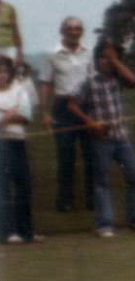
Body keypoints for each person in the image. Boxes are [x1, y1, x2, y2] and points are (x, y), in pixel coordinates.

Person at [69, 41, 135, 236]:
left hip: (122, 136)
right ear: (97, 60)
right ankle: (104, 225)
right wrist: (90, 122)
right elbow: (72, 104)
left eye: (110, 58)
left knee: (134, 176)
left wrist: (115, 61)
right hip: (101, 138)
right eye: (103, 58)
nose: (107, 61)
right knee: (102, 181)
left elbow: (133, 80)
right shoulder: (89, 81)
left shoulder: (118, 78)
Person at [42, 17, 96, 212]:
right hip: (63, 108)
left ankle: (92, 199)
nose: (74, 32)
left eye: (78, 28)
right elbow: (46, 84)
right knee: (66, 155)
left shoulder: (90, 52)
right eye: (70, 28)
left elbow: (95, 80)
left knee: (91, 154)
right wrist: (45, 112)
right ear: (62, 31)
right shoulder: (53, 54)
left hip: (86, 107)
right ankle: (65, 201)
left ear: (82, 31)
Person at [0, 58, 39, 243]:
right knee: (4, 188)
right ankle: (8, 232)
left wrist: (6, 116)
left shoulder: (19, 89)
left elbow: (26, 116)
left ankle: (26, 231)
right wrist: (8, 116)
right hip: (1, 143)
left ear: (10, 73)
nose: (2, 75)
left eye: (5, 71)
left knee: (24, 185)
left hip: (18, 142)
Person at [0, 0, 22, 69]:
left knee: (8, 72)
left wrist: (19, 53)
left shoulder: (10, 9)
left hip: (8, 48)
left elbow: (16, 31)